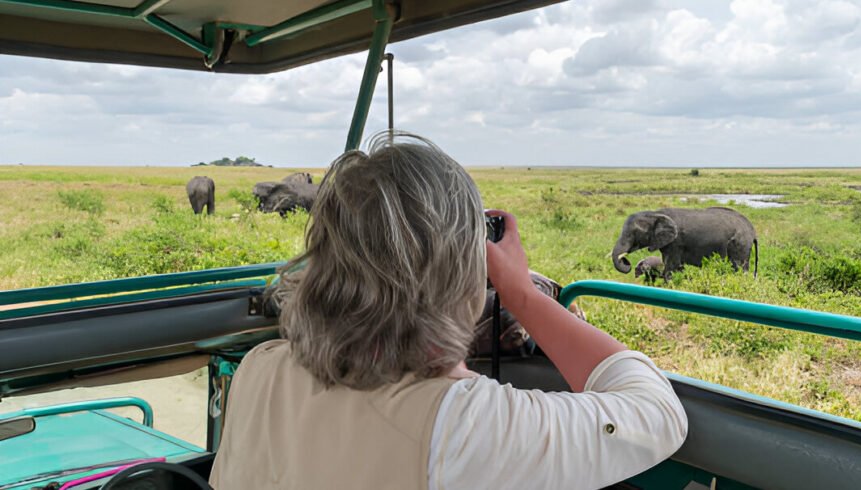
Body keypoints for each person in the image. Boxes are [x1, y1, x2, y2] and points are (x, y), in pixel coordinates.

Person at [209, 132, 688, 489]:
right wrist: (522, 292)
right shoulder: (462, 425)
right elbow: (657, 412)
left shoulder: (259, 369)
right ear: (462, 267)